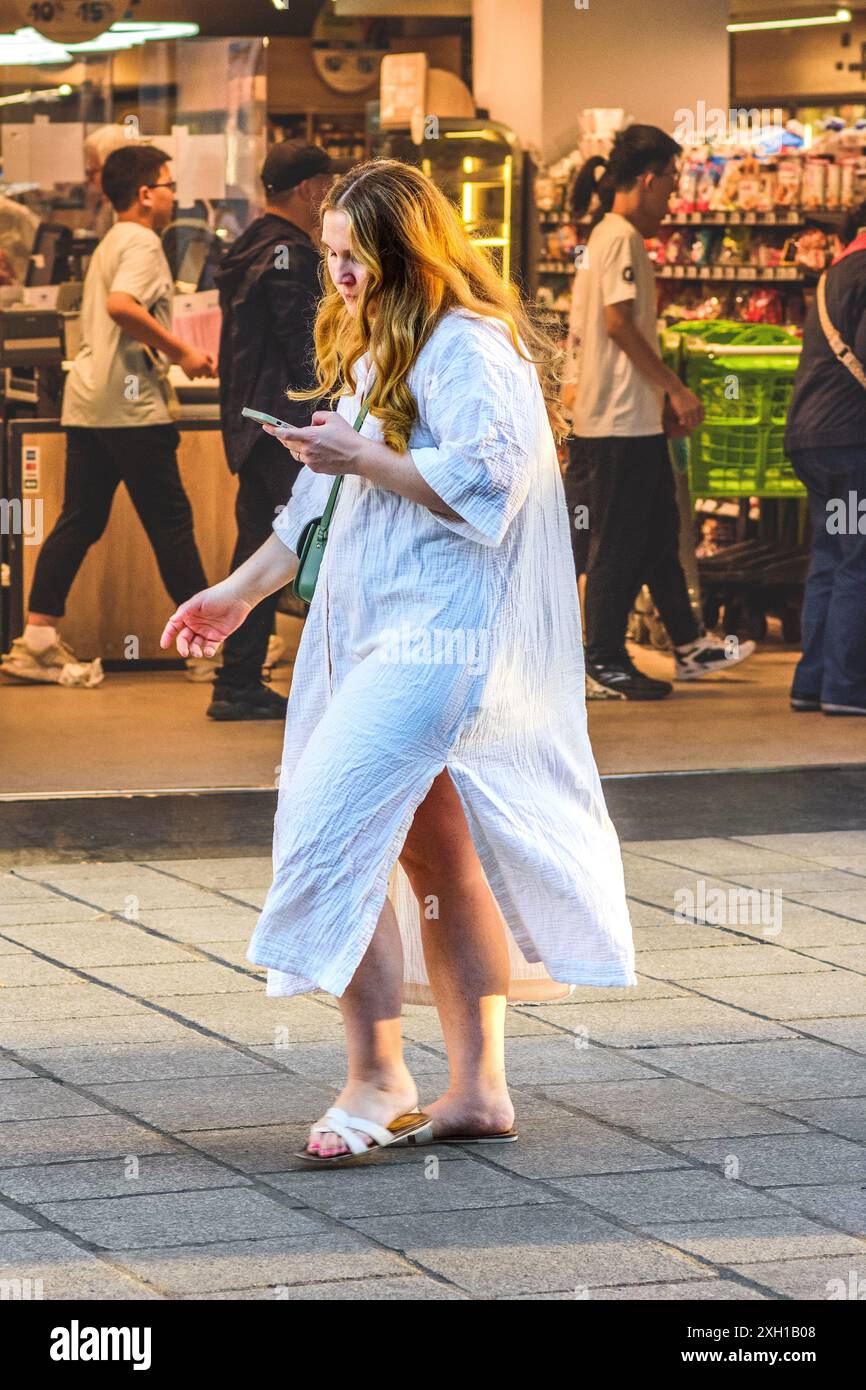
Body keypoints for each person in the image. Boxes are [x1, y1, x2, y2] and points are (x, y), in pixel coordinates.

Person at [161, 159, 635, 1163]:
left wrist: (359, 455)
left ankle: (377, 1078)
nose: (337, 273)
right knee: (432, 853)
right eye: (329, 253)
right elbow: (316, 511)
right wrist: (232, 596)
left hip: (438, 639)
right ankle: (478, 1090)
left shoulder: (467, 345)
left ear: (406, 248)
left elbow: (488, 482)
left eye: (353, 254)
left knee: (328, 818)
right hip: (373, 631)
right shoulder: (381, 342)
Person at [1, 145, 215, 686]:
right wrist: (182, 352)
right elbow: (123, 306)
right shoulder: (143, 242)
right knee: (172, 525)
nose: (174, 195)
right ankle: (205, 648)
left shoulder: (113, 240)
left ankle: (38, 639)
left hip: (90, 404)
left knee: (81, 519)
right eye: (168, 185)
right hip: (131, 409)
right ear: (146, 194)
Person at [564, 124, 755, 700]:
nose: (672, 200)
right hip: (615, 422)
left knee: (656, 534)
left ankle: (690, 642)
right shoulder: (618, 235)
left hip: (629, 418)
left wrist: (658, 400)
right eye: (671, 186)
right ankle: (602, 659)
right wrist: (675, 388)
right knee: (618, 543)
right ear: (647, 181)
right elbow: (618, 325)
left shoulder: (609, 235)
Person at [208, 142, 334, 721]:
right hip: (286, 424)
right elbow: (304, 344)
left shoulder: (248, 245)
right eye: (328, 187)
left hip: (252, 422)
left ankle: (237, 682)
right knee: (320, 544)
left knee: (261, 545)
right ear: (310, 189)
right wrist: (334, 408)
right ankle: (331, 682)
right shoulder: (289, 253)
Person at [784, 200, 866, 717]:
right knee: (859, 560)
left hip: (812, 439)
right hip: (849, 442)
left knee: (832, 558)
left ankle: (810, 682)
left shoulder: (836, 273)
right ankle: (846, 686)